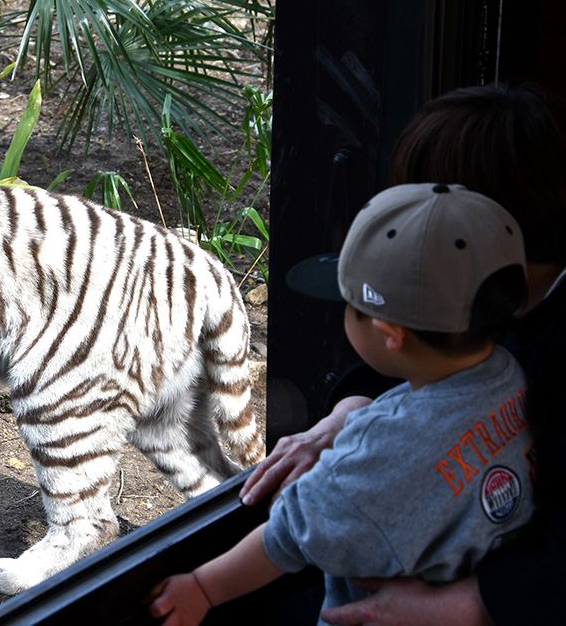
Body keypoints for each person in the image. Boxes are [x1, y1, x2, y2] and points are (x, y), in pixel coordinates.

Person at [240, 81, 566, 625]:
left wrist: (463, 607)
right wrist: (344, 421)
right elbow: (418, 361)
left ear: (480, 225)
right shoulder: (483, 288)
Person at [146, 183, 534, 626]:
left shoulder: (384, 450)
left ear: (390, 334)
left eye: (348, 306)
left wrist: (202, 588)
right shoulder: (511, 373)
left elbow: (291, 533)